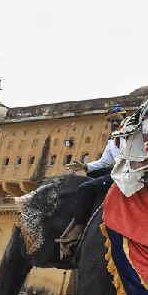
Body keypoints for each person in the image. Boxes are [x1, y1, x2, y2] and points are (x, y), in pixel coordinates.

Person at [56, 107, 126, 253]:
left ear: (124, 120)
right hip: (117, 169)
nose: (114, 123)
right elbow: (104, 161)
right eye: (112, 121)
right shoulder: (113, 140)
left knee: (85, 188)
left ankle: (78, 227)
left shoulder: (131, 136)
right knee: (93, 173)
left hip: (127, 172)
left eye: (117, 121)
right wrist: (85, 165)